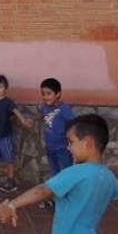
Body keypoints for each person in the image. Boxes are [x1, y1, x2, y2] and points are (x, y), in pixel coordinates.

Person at [1, 114, 118, 233]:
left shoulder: (74, 172)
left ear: (87, 143)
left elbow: (42, 191)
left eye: (71, 142)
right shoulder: (109, 176)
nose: (68, 147)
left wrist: (12, 204)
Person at [36, 78, 75, 209]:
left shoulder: (64, 109)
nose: (45, 97)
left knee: (65, 174)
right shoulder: (45, 107)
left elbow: (72, 124)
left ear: (58, 93)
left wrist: (71, 142)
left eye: (48, 93)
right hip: (51, 148)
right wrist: (32, 120)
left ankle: (68, 201)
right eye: (43, 94)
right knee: (55, 174)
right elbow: (41, 115)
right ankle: (56, 199)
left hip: (63, 149)